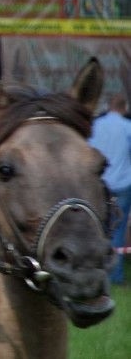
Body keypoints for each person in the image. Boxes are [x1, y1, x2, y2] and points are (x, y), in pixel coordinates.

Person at [89, 94, 131, 285]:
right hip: (122, 185)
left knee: (97, 228)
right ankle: (114, 277)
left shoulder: (95, 126)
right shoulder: (127, 127)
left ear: (108, 106)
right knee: (118, 231)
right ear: (124, 108)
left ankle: (94, 274)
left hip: (98, 185)